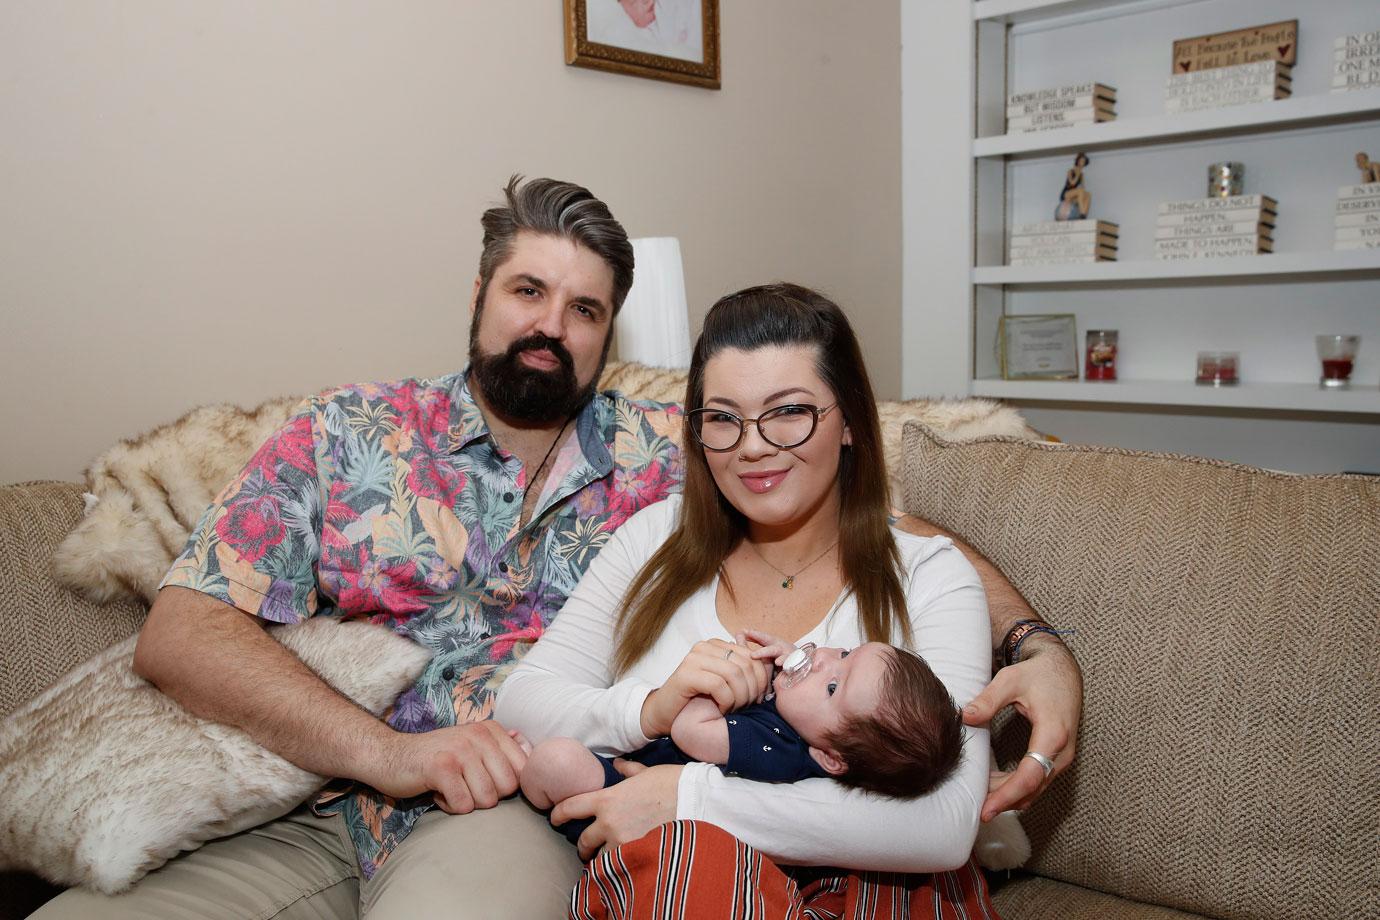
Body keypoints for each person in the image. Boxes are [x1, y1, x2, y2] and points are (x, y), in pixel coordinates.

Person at [36, 180, 1080, 918]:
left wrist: (1034, 639)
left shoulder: (662, 461)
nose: (553, 324)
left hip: (499, 812)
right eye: (528, 290)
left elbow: (865, 520)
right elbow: (180, 629)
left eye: (586, 307)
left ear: (609, 334)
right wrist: (392, 753)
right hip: (290, 793)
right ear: (481, 295)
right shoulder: (346, 433)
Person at [495, 283, 1009, 915]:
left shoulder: (931, 576)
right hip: (677, 893)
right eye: (723, 418)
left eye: (788, 411)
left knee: (695, 855)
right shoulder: (655, 539)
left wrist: (686, 799)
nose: (753, 445)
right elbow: (522, 701)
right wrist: (652, 712)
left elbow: (943, 822)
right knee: (689, 868)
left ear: (848, 420)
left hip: (871, 898)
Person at [522, 631, 964, 847]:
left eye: (833, 687)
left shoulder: (777, 749)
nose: (825, 659)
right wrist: (775, 669)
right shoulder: (798, 726)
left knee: (557, 761)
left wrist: (724, 684)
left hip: (624, 807)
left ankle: (531, 778)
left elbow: (689, 731)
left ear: (830, 758)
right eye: (846, 654)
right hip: (633, 774)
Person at [1055, 151, 1092, 221]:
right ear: (1077, 161)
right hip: (1066, 193)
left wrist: (1083, 195)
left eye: (1084, 162)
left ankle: (1084, 215)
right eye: (1081, 161)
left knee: (1088, 194)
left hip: (1074, 195)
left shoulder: (1082, 174)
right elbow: (1072, 183)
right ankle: (1082, 213)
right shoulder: (1070, 171)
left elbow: (1083, 187)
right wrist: (1078, 174)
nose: (1082, 163)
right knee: (1080, 191)